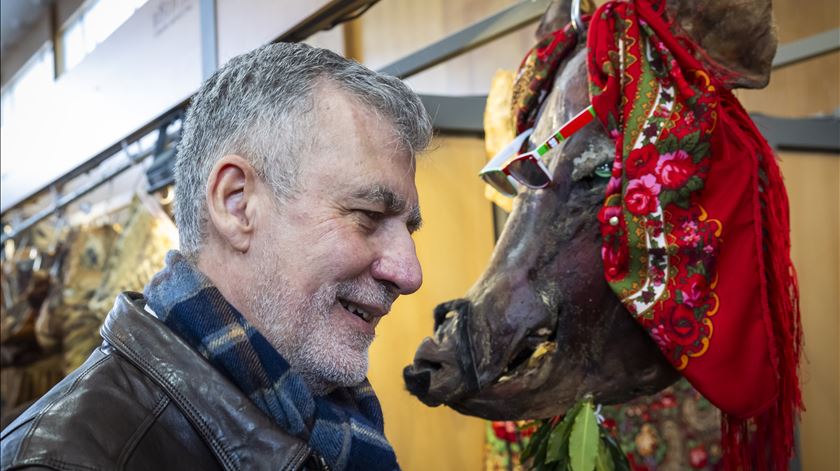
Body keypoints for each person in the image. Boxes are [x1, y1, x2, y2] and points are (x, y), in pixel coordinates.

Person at [0, 42, 432, 471]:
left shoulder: (333, 428)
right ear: (236, 203)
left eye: (408, 229)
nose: (410, 274)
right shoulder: (63, 460)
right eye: (368, 215)